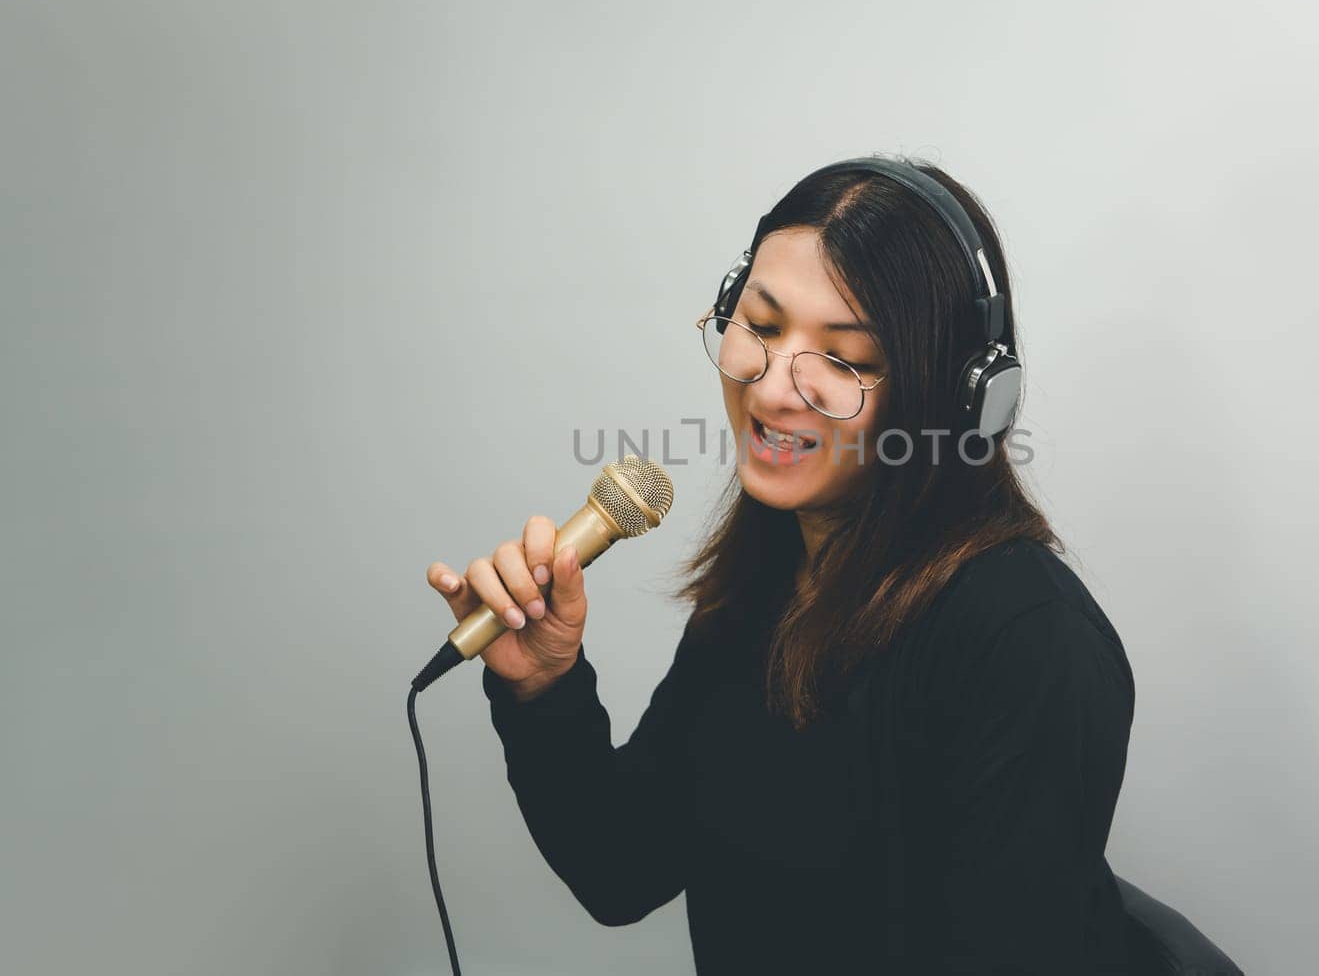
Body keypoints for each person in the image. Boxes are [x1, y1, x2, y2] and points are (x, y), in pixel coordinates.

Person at [425, 156, 1138, 974]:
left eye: (844, 359)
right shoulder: (764, 585)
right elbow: (621, 869)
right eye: (761, 328)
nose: (772, 392)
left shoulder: (1027, 642)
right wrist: (543, 685)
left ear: (954, 398)